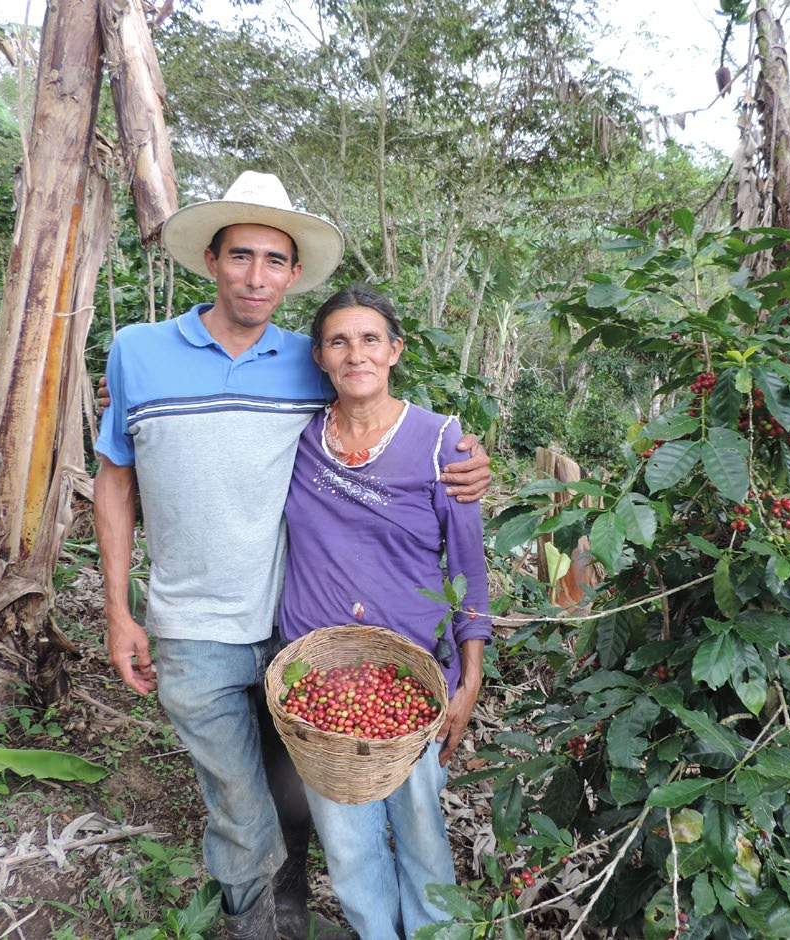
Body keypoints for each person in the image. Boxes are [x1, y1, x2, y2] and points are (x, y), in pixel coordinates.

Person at [93, 172, 491, 940]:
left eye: (274, 261)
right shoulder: (137, 353)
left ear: (293, 274)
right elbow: (116, 480)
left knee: (306, 797)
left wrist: (468, 463)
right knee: (241, 806)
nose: (255, 275)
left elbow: (378, 413)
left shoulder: (305, 364)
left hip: (296, 631)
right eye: (240, 256)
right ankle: (261, 927)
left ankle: (314, 913)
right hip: (192, 625)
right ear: (211, 259)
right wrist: (117, 609)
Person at [279, 286, 491, 940]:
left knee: (422, 828)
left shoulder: (440, 443)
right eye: (339, 341)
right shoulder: (296, 439)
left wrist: (469, 680)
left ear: (394, 350)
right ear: (319, 356)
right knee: (347, 843)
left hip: (415, 679)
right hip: (319, 682)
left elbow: (467, 569)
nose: (355, 354)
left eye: (370, 339)